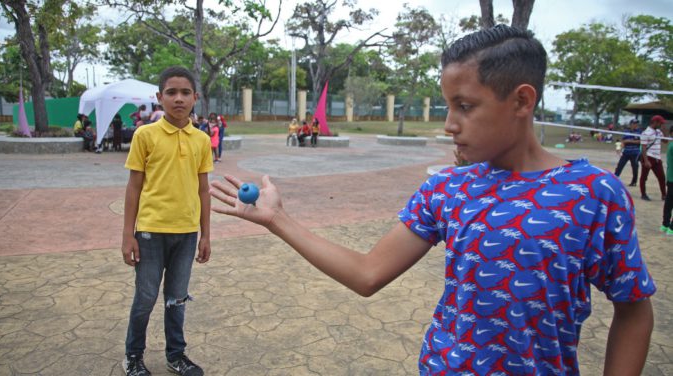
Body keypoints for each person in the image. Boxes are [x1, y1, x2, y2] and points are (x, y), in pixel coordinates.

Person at [210, 25, 655, 375]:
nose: (448, 124)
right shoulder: (447, 189)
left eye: (464, 106)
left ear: (521, 100)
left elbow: (633, 310)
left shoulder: (594, 194)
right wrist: (277, 219)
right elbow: (368, 274)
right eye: (447, 106)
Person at [121, 66, 212, 376]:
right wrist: (127, 234)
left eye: (185, 92)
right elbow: (134, 186)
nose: (178, 98)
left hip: (186, 234)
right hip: (150, 232)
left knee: (176, 299)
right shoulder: (145, 135)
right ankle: (133, 356)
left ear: (195, 98)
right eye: (171, 92)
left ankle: (176, 355)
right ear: (159, 97)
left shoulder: (201, 139)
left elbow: (203, 189)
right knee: (145, 298)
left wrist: (206, 235)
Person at [639, 115, 667, 201]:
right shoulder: (646, 133)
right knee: (644, 177)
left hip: (657, 158)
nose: (661, 124)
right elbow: (643, 147)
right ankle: (643, 194)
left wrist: (663, 130)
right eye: (660, 123)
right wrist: (646, 160)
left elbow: (665, 141)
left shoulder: (659, 132)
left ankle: (664, 195)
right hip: (648, 156)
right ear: (655, 122)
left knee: (662, 177)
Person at [614, 119, 641, 187]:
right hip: (626, 152)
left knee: (635, 167)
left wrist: (629, 141)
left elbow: (640, 141)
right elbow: (623, 141)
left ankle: (634, 181)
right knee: (620, 165)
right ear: (631, 124)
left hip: (635, 153)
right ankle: (615, 179)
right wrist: (619, 149)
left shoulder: (639, 132)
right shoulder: (626, 132)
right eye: (634, 123)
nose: (636, 125)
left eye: (636, 124)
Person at [662, 124, 673, 235]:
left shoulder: (670, 144)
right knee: (669, 203)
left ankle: (665, 225)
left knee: (669, 203)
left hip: (670, 178)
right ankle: (671, 228)